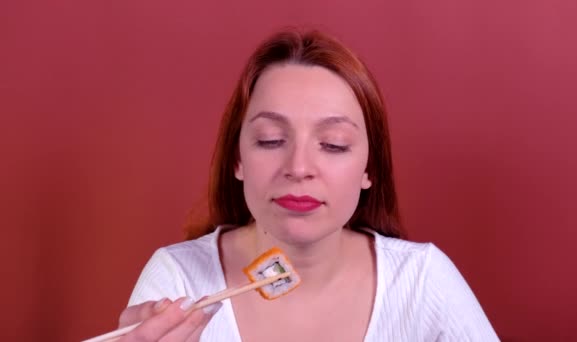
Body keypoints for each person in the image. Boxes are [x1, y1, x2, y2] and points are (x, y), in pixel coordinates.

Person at [117, 29, 499, 341]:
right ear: (237, 160)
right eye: (270, 140)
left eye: (333, 144)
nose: (299, 168)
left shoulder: (421, 280)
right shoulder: (179, 280)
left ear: (370, 169)